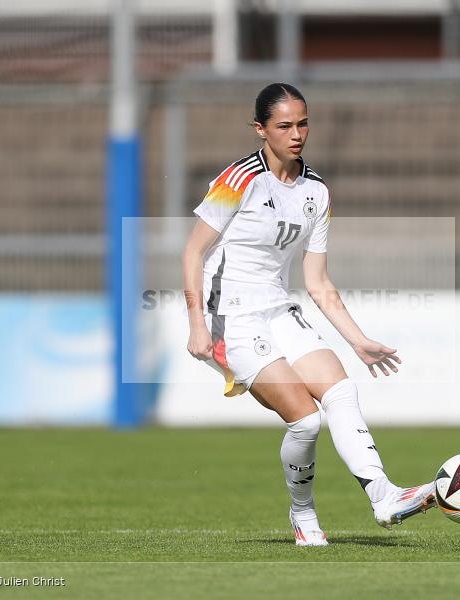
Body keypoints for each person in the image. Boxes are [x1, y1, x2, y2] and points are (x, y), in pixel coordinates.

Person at [182, 83, 437, 547]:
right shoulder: (238, 180)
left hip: (279, 308)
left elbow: (317, 279)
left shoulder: (316, 191)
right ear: (260, 130)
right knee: (304, 420)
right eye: (284, 126)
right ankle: (303, 515)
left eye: (303, 123)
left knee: (340, 390)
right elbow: (193, 252)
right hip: (232, 317)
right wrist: (197, 322)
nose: (296, 134)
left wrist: (357, 340)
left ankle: (384, 497)